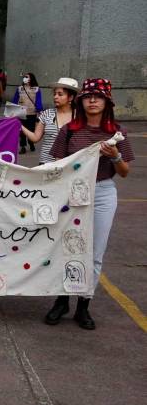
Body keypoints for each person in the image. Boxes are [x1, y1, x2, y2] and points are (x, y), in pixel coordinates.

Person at [44, 79, 134, 330]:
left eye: (98, 96)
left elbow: (124, 171)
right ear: (81, 101)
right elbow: (57, 166)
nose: (93, 101)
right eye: (88, 97)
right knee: (65, 248)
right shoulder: (70, 130)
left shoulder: (117, 132)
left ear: (107, 102)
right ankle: (62, 300)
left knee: (94, 252)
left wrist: (115, 156)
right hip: (71, 193)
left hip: (103, 192)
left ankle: (84, 304)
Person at [20, 77, 78, 164]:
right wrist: (19, 125)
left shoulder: (79, 116)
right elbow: (35, 138)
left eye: (60, 94)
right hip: (45, 165)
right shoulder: (47, 114)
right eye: (54, 94)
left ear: (70, 97)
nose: (55, 97)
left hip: (69, 165)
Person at [12, 72, 44, 155]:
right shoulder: (20, 88)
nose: (25, 78)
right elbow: (15, 100)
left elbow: (38, 100)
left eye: (27, 77)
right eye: (24, 77)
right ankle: (23, 146)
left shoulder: (36, 89)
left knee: (31, 129)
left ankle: (31, 142)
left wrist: (39, 109)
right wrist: (12, 110)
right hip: (21, 112)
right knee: (22, 130)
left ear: (31, 79)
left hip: (32, 113)